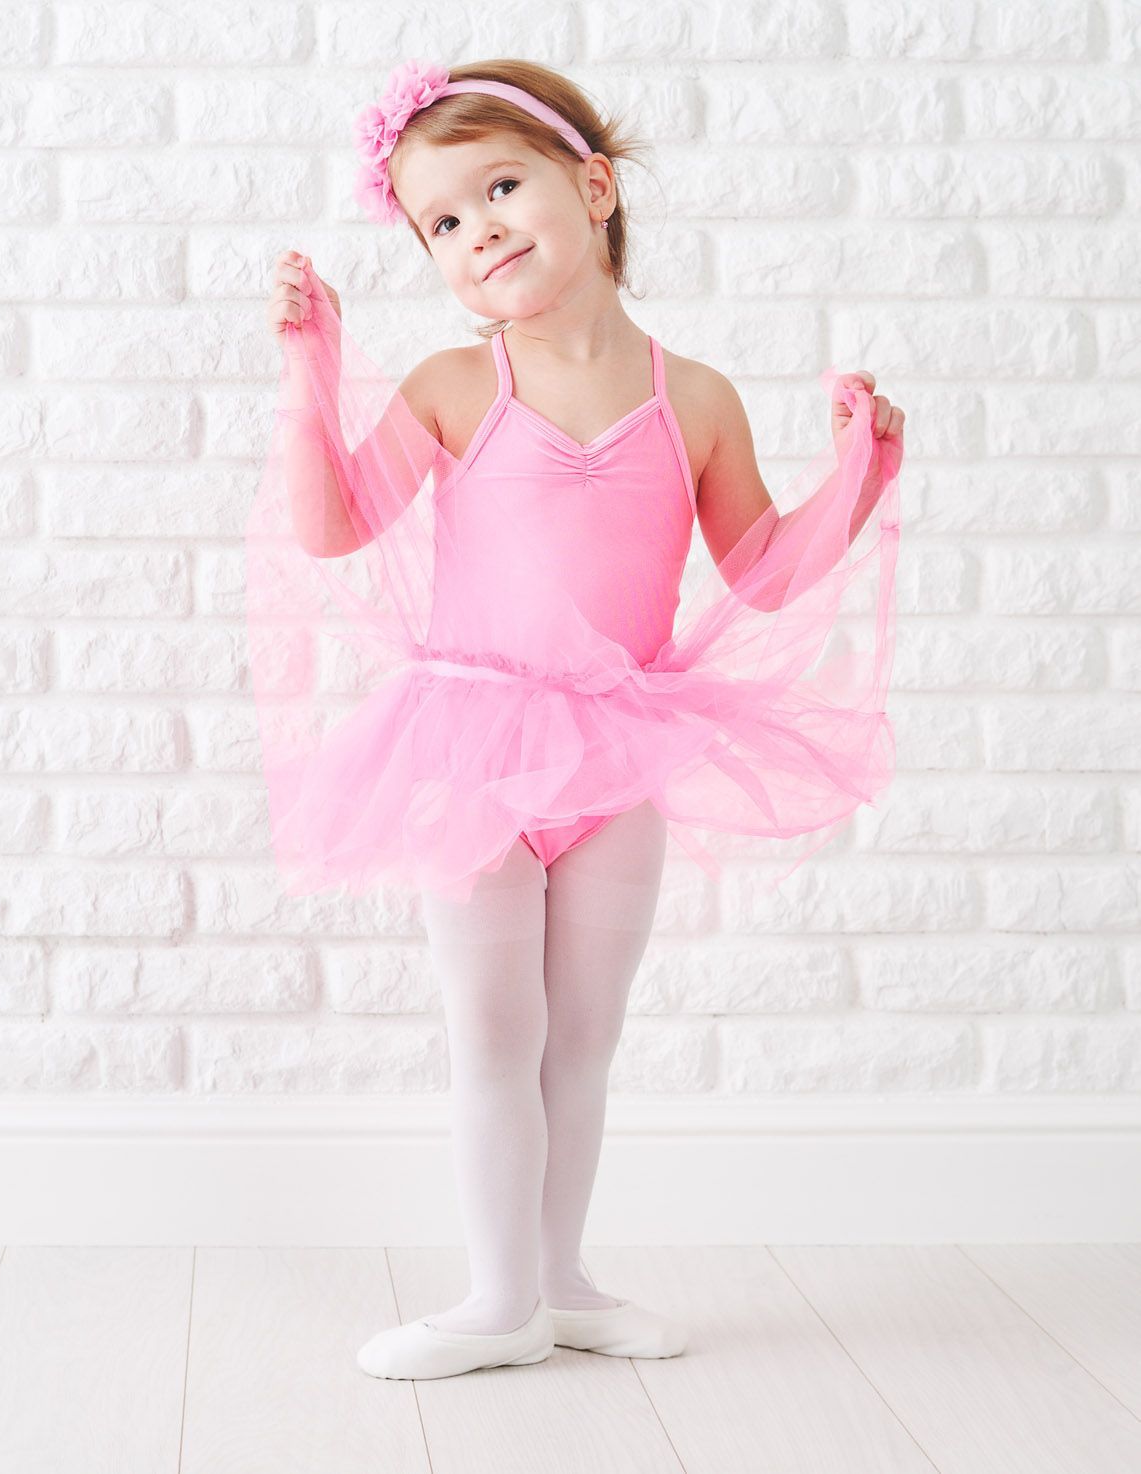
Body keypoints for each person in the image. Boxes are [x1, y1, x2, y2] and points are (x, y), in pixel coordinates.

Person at [248, 58, 905, 1381]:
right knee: (495, 1029)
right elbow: (327, 531)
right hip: (472, 750)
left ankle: (558, 1278)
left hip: (622, 751)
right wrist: (311, 375)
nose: (476, 227)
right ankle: (496, 1297)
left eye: (499, 186)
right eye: (440, 221)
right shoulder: (451, 386)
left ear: (590, 187)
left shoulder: (694, 396)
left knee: (585, 1034)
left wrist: (859, 477)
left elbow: (764, 571)